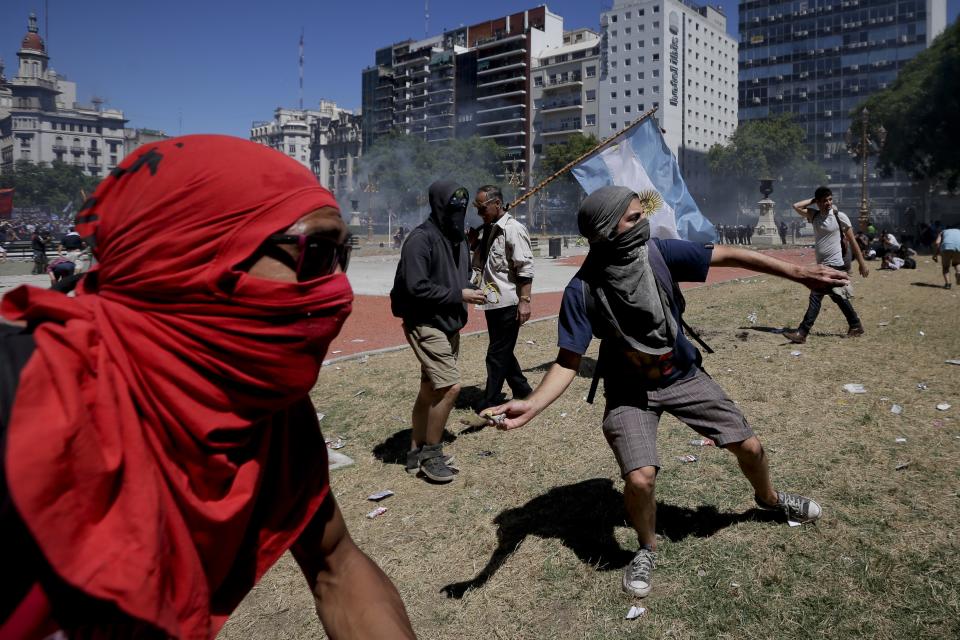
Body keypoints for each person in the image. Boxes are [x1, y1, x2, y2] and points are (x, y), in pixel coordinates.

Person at [0, 135, 416, 639]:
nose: (336, 290)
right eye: (318, 253)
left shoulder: (269, 410)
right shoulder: (21, 397)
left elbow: (337, 564)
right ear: (185, 254)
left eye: (341, 260)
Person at [482, 186, 847, 600]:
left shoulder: (658, 254)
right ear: (605, 231)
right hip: (629, 390)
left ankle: (769, 499)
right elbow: (568, 362)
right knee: (640, 479)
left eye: (642, 215)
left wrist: (800, 274)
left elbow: (728, 254)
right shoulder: (582, 291)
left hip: (682, 375)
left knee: (751, 448)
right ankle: (647, 547)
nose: (644, 224)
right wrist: (531, 405)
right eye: (634, 219)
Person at [390, 180, 486, 483]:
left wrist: (471, 287)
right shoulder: (421, 239)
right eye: (452, 209)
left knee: (429, 388)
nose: (458, 214)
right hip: (424, 322)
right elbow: (416, 287)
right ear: (438, 206)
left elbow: (455, 277)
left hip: (449, 323)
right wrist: (460, 294)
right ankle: (433, 455)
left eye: (463, 209)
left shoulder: (457, 238)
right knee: (450, 387)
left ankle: (415, 451)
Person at [468, 185, 535, 413]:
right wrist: (475, 243)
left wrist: (525, 301)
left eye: (483, 208)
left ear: (497, 204)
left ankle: (492, 399)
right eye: (477, 209)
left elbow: (524, 268)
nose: (479, 213)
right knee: (502, 350)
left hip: (509, 301)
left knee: (496, 354)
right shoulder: (490, 229)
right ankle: (523, 390)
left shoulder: (513, 229)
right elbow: (486, 262)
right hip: (492, 301)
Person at [783, 187, 868, 344]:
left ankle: (802, 332)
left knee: (816, 296)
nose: (828, 203)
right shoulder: (814, 215)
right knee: (838, 297)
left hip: (834, 265)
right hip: (822, 265)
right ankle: (855, 325)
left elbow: (853, 241)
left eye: (830, 199)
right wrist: (813, 200)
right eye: (824, 200)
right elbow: (796, 206)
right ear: (818, 203)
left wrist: (862, 263)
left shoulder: (839, 216)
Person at [933, 223, 960, 289]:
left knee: (945, 267)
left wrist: (935, 254)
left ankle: (948, 284)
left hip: (946, 247)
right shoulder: (959, 231)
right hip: (959, 247)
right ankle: (959, 272)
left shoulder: (943, 231)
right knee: (957, 263)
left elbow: (937, 243)